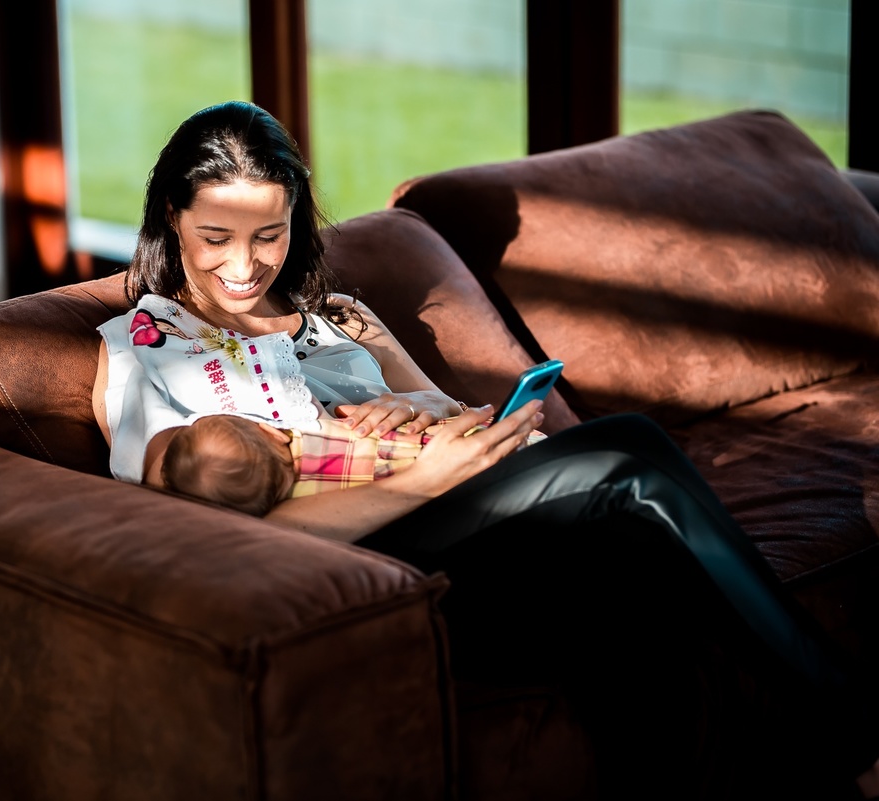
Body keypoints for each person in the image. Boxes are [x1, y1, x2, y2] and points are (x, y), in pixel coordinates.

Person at [92, 100, 879, 799]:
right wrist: (421, 482)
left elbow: (452, 413)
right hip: (366, 553)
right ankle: (856, 722)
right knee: (627, 456)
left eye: (270, 234)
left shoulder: (337, 316)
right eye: (217, 237)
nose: (244, 265)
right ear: (172, 216)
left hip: (461, 513)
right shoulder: (141, 348)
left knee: (628, 593)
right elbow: (206, 534)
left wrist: (414, 407)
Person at [158, 412, 548, 517]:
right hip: (469, 448)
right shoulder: (315, 428)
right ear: (272, 432)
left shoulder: (309, 505)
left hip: (477, 494)